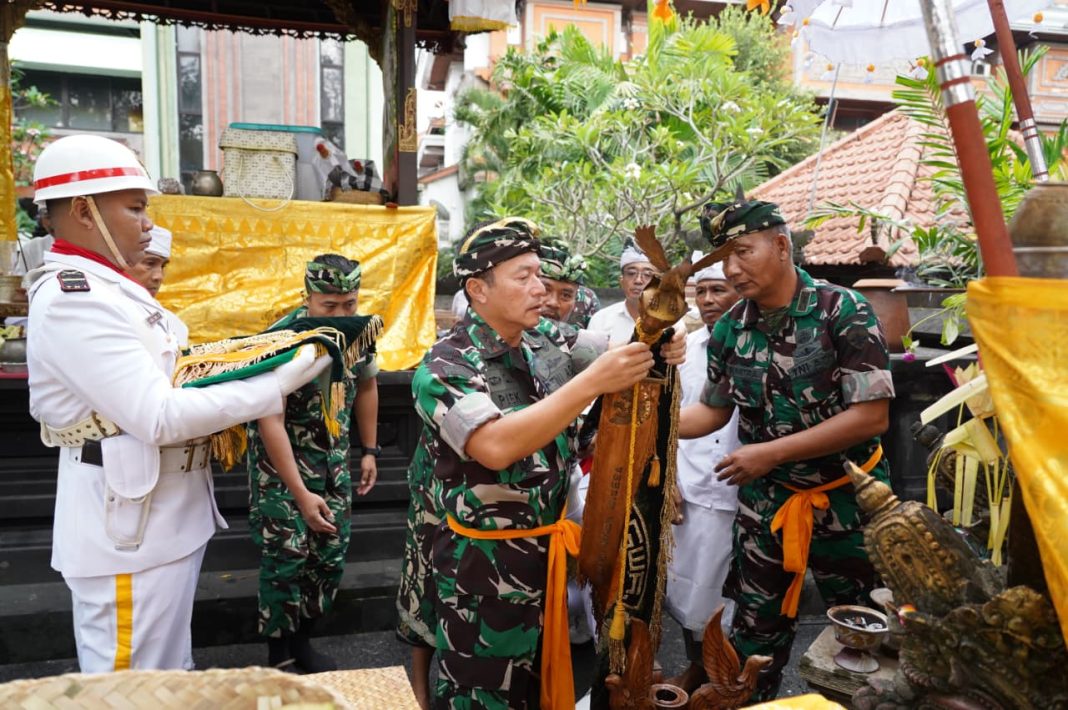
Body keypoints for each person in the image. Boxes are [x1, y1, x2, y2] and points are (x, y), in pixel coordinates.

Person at [25, 134, 329, 673]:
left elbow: (175, 374)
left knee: (168, 677)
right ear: (82, 210)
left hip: (161, 515)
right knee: (131, 689)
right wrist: (275, 384)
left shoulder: (114, 289)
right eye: (136, 207)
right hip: (127, 529)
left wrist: (254, 356)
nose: (147, 222)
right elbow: (158, 415)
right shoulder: (75, 298)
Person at [414, 217, 684, 709]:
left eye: (540, 274)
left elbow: (627, 350)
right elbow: (493, 446)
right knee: (481, 694)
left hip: (547, 560)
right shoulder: (446, 363)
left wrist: (662, 342)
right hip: (484, 574)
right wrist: (591, 382)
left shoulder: (548, 342)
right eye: (523, 277)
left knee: (540, 687)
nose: (540, 288)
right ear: (478, 289)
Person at [678, 195, 894, 700]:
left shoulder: (841, 310)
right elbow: (713, 411)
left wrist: (770, 452)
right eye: (722, 258)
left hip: (847, 502)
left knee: (864, 634)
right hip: (766, 507)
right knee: (754, 635)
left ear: (780, 245)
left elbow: (870, 416)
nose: (731, 270)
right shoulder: (732, 327)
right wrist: (649, 422)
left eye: (741, 252)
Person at [246, 254, 380, 673]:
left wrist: (370, 451)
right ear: (308, 298)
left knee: (328, 556)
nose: (341, 315)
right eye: (330, 306)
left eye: (350, 305)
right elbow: (269, 418)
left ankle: (303, 643)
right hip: (283, 472)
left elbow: (367, 386)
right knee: (286, 558)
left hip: (333, 465)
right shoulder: (281, 339)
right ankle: (278, 656)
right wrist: (301, 494)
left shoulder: (359, 335)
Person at [664, 257, 743, 693]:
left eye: (720, 290)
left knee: (732, 597)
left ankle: (728, 679)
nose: (710, 300)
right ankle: (700, 670)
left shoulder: (757, 344)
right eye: (703, 291)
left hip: (742, 492)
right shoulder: (686, 349)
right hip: (690, 491)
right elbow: (668, 421)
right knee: (689, 592)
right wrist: (668, 481)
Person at [586, 238, 661, 345]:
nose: (638, 280)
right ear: (621, 281)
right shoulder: (600, 321)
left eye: (648, 275)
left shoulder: (670, 323)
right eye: (631, 273)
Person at [124, 226, 189, 348]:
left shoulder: (174, 323)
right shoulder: (108, 313)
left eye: (163, 266)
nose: (159, 276)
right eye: (150, 263)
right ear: (123, 263)